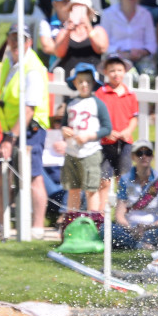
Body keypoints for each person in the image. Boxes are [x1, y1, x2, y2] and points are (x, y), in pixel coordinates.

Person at [0, 26, 51, 240]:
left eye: (21, 39)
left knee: (33, 177)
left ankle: (38, 226)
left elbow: (29, 109)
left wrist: (11, 137)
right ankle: (0, 222)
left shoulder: (32, 68)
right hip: (11, 128)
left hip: (30, 127)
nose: (16, 43)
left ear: (29, 42)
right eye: (13, 38)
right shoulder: (10, 62)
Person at [111, 140, 158, 250]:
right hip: (130, 228)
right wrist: (131, 228)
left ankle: (135, 243)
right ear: (133, 157)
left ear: (152, 156)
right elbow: (119, 214)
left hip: (153, 227)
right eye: (139, 153)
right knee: (106, 229)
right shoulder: (125, 180)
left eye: (148, 153)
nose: (144, 156)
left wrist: (147, 227)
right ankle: (143, 244)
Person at [61, 63, 112, 213]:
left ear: (93, 84)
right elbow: (64, 124)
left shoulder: (98, 104)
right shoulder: (71, 103)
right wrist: (64, 130)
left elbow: (107, 128)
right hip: (72, 151)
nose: (84, 85)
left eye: (88, 81)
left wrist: (90, 136)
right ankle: (71, 222)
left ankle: (93, 221)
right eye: (81, 81)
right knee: (73, 188)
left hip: (90, 151)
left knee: (91, 189)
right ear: (75, 83)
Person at [100, 0, 157, 72]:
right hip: (116, 56)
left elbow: (152, 43)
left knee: (149, 75)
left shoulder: (146, 14)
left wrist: (142, 52)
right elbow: (104, 43)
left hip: (141, 57)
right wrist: (120, 53)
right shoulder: (108, 14)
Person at [51, 0, 108, 71]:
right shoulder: (63, 32)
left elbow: (101, 49)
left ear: (88, 12)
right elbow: (59, 53)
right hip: (68, 75)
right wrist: (68, 32)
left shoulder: (98, 30)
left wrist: (88, 28)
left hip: (92, 76)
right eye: (74, 9)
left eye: (82, 10)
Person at [37, 0, 77, 66]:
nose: (69, 4)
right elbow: (47, 47)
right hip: (58, 65)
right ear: (55, 4)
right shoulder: (46, 23)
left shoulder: (80, 21)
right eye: (64, 1)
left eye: (71, 1)